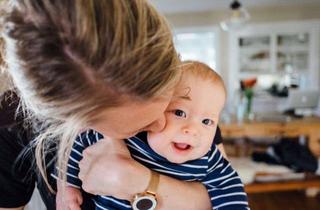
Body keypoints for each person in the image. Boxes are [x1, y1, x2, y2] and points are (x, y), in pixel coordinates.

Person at [0, 1, 226, 210]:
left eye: (170, 106)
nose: (162, 124)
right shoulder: (10, 126)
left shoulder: (193, 101)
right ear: (75, 123)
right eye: (140, 126)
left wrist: (138, 182)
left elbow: (224, 191)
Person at [57, 61, 249, 210]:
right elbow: (80, 142)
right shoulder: (129, 135)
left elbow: (230, 189)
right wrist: (67, 186)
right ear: (157, 107)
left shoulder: (208, 159)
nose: (192, 129)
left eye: (207, 122)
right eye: (179, 113)